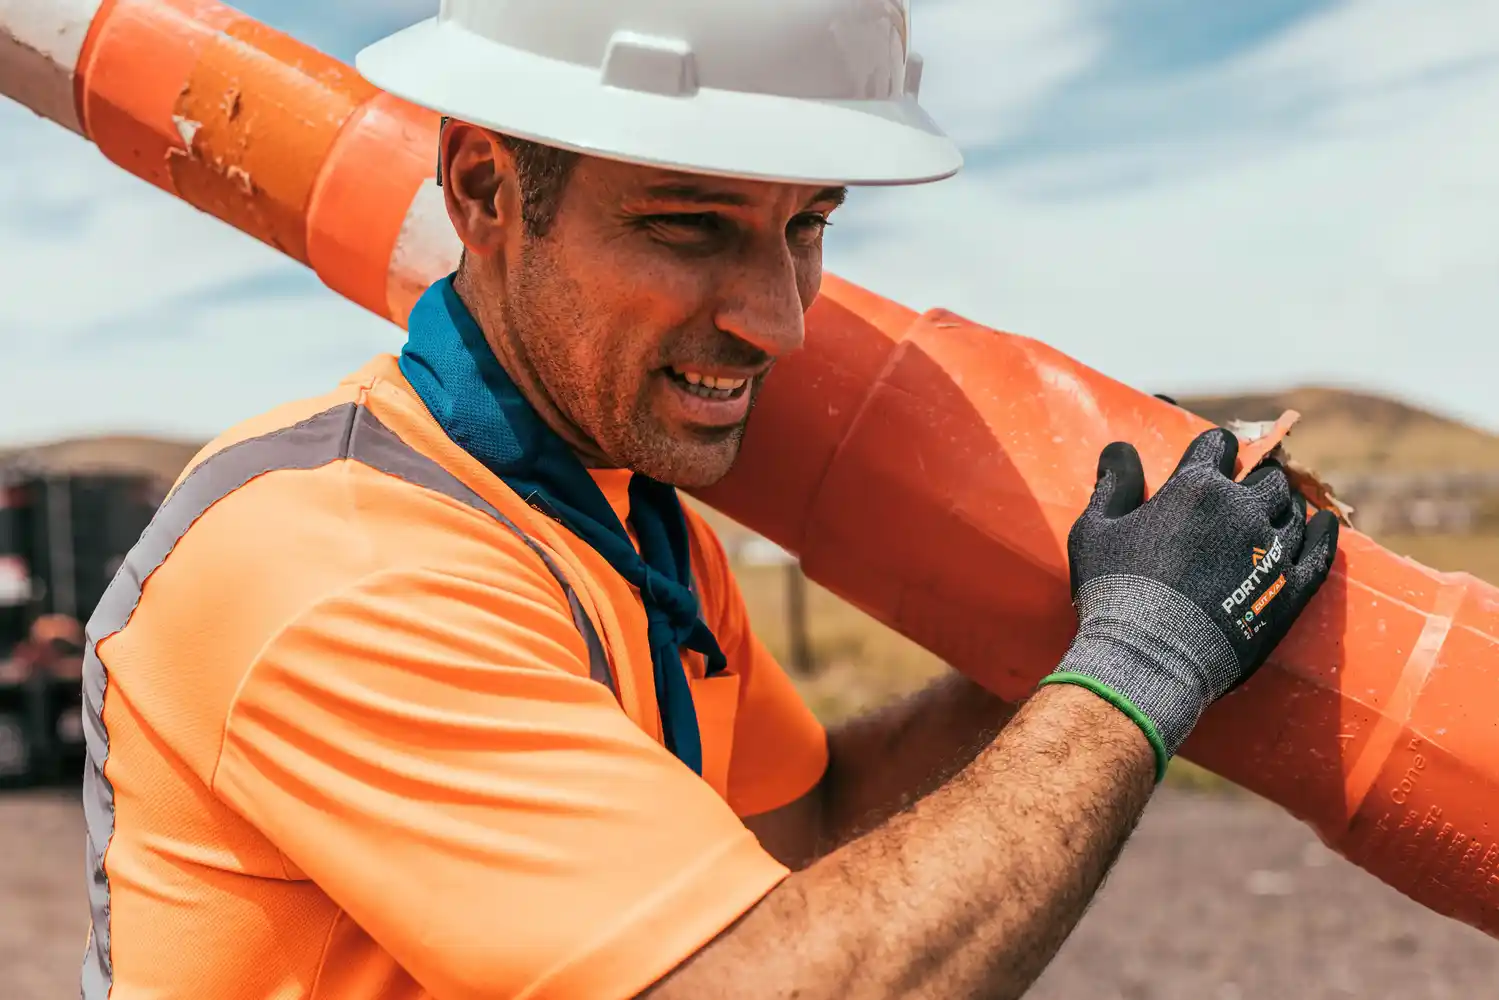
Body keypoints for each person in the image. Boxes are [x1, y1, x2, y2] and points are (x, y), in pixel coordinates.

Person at [78, 2, 1340, 998]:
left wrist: (1088, 624)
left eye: (805, 226)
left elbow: (818, 826)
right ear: (483, 190)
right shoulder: (335, 566)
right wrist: (1137, 664)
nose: (778, 322)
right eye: (690, 228)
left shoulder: (617, 519)